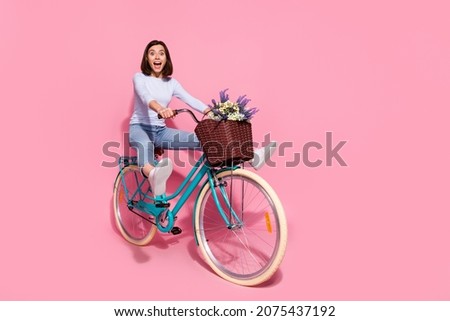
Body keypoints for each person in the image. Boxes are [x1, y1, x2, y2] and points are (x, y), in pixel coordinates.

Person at [129, 40, 209, 196]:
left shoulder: (171, 83)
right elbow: (146, 96)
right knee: (145, 147)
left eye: (161, 53)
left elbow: (190, 99)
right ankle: (154, 174)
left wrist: (210, 111)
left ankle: (251, 155)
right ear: (147, 58)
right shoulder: (139, 78)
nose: (157, 57)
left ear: (166, 58)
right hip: (139, 128)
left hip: (160, 131)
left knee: (203, 139)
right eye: (152, 53)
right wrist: (160, 109)